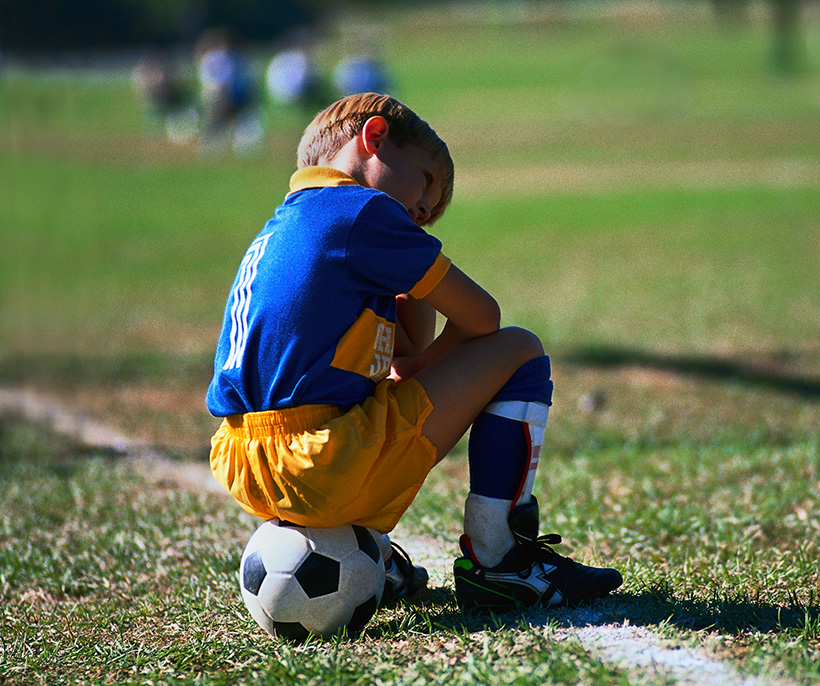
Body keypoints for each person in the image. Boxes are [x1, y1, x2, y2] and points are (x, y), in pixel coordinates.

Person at [206, 92, 622, 611]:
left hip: (245, 459)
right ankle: (501, 560)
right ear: (374, 138)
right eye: (426, 180)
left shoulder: (290, 223)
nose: (426, 210)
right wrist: (431, 356)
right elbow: (481, 318)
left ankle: (370, 549)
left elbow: (400, 359)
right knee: (519, 349)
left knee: (390, 392)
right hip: (320, 461)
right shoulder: (359, 211)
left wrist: (408, 296)